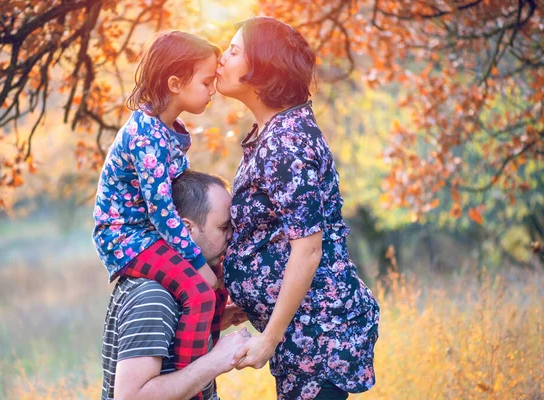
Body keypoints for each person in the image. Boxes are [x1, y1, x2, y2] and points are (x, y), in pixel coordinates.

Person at [216, 17, 380, 399]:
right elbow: (272, 237)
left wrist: (268, 340)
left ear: (262, 69)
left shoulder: (286, 142)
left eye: (234, 51)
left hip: (319, 338)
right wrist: (244, 301)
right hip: (304, 338)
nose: (220, 58)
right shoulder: (274, 134)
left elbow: (307, 250)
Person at [92, 31, 224, 394]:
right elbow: (163, 210)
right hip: (126, 237)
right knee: (199, 291)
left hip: (148, 233)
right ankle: (190, 386)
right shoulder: (146, 135)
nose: (213, 89)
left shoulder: (168, 129)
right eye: (207, 81)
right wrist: (197, 262)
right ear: (176, 83)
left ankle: (198, 363)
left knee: (216, 287)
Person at [101, 170, 249, 400]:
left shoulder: (174, 287)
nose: (232, 236)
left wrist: (218, 321)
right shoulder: (153, 296)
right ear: (185, 229)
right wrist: (216, 361)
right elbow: (131, 397)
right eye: (223, 227)